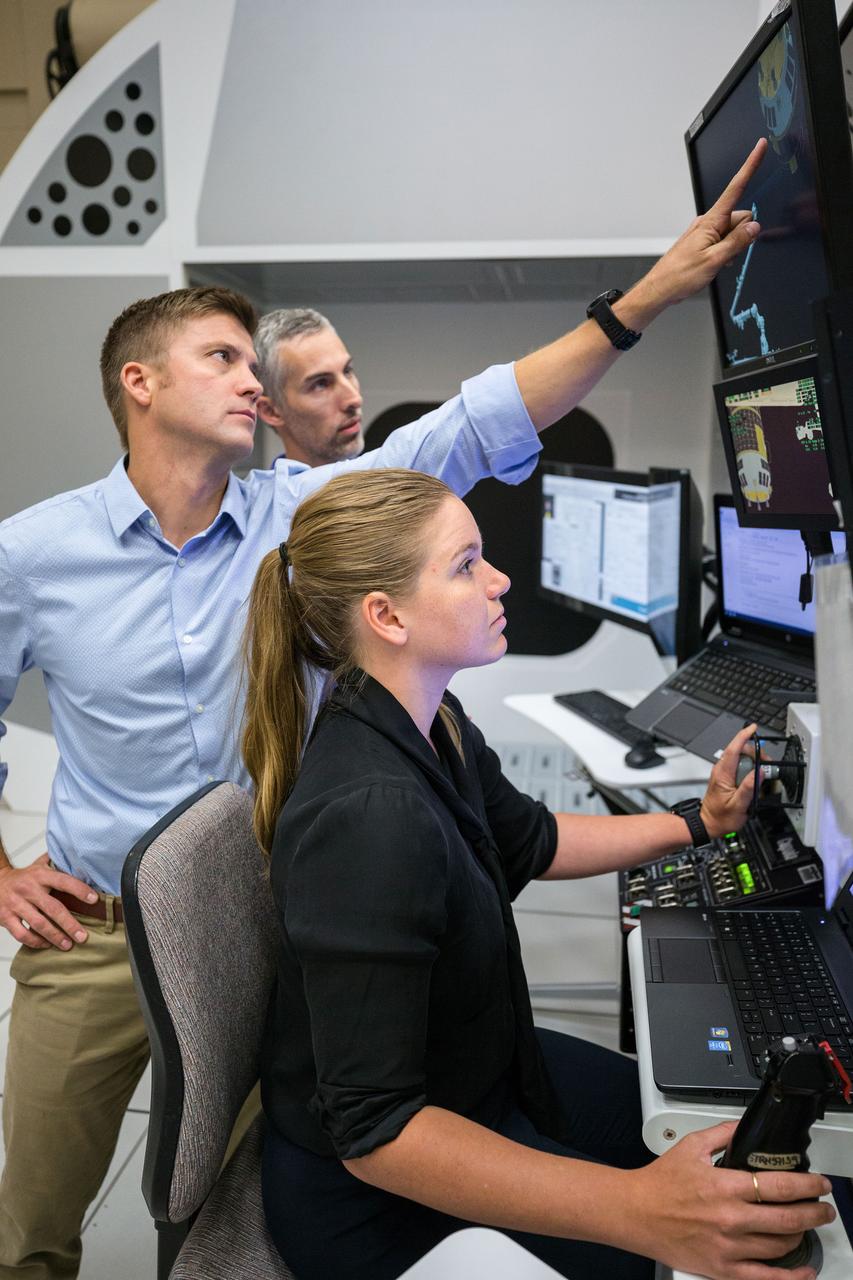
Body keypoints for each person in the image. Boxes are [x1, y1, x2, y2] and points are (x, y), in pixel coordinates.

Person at [0, 140, 766, 1278]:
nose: (253, 377)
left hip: (282, 910)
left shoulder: (297, 512)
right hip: (100, 926)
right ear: (139, 382)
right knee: (32, 1228)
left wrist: (642, 303)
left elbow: (467, 426)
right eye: (223, 355)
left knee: (318, 1123)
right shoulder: (33, 550)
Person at [241, 468, 833, 1280]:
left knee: (734, 1141)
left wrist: (699, 823)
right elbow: (376, 1131)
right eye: (465, 565)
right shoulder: (369, 817)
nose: (499, 579)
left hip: (484, 1072)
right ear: (386, 616)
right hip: (379, 1206)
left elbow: (533, 840)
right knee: (666, 1251)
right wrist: (639, 1213)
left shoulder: (435, 722)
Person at [254, 306, 366, 467]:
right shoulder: (266, 493)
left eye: (347, 370)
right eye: (321, 384)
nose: (354, 399)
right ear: (271, 411)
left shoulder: (396, 486)